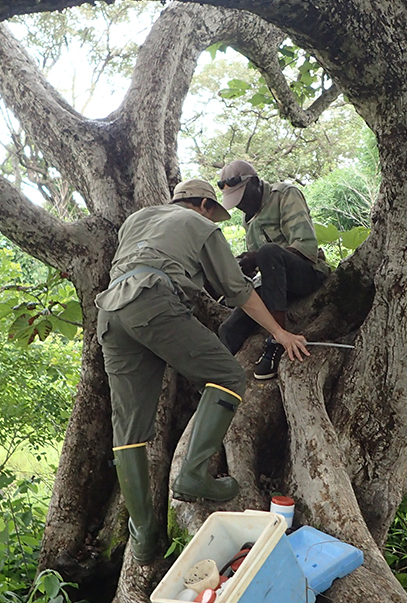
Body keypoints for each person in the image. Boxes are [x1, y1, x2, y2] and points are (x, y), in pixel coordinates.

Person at [95, 179, 309, 563]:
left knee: (127, 431)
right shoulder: (202, 226)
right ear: (206, 206)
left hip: (111, 314)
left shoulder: (137, 219)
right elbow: (237, 290)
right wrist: (279, 332)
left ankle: (144, 539)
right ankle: (193, 475)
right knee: (227, 376)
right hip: (154, 303)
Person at [216, 160, 331, 380]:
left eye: (242, 198)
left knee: (268, 252)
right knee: (228, 329)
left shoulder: (284, 194)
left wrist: (259, 258)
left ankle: (277, 342)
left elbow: (305, 247)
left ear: (256, 183)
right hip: (274, 283)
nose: (241, 206)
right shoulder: (248, 217)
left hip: (306, 273)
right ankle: (222, 382)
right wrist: (246, 266)